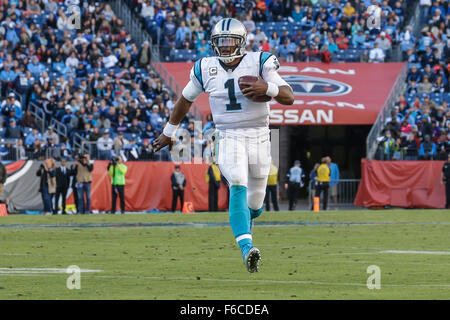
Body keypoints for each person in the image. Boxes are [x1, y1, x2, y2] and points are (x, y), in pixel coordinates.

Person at [154, 18, 294, 273]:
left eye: (230, 41)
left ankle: (244, 224)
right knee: (238, 183)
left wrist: (268, 87)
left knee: (256, 206)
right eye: (221, 42)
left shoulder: (260, 62)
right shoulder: (205, 67)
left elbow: (289, 97)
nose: (226, 47)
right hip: (228, 135)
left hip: (261, 138)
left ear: (241, 42)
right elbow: (185, 100)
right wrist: (169, 131)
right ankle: (247, 249)